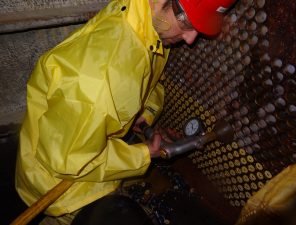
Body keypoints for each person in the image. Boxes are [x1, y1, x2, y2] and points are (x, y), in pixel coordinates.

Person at [15, 0, 237, 223]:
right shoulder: (101, 80)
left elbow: (149, 79)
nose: (190, 39)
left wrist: (144, 114)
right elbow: (68, 163)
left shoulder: (143, 20)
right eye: (187, 23)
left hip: (73, 143)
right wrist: (143, 154)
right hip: (60, 189)